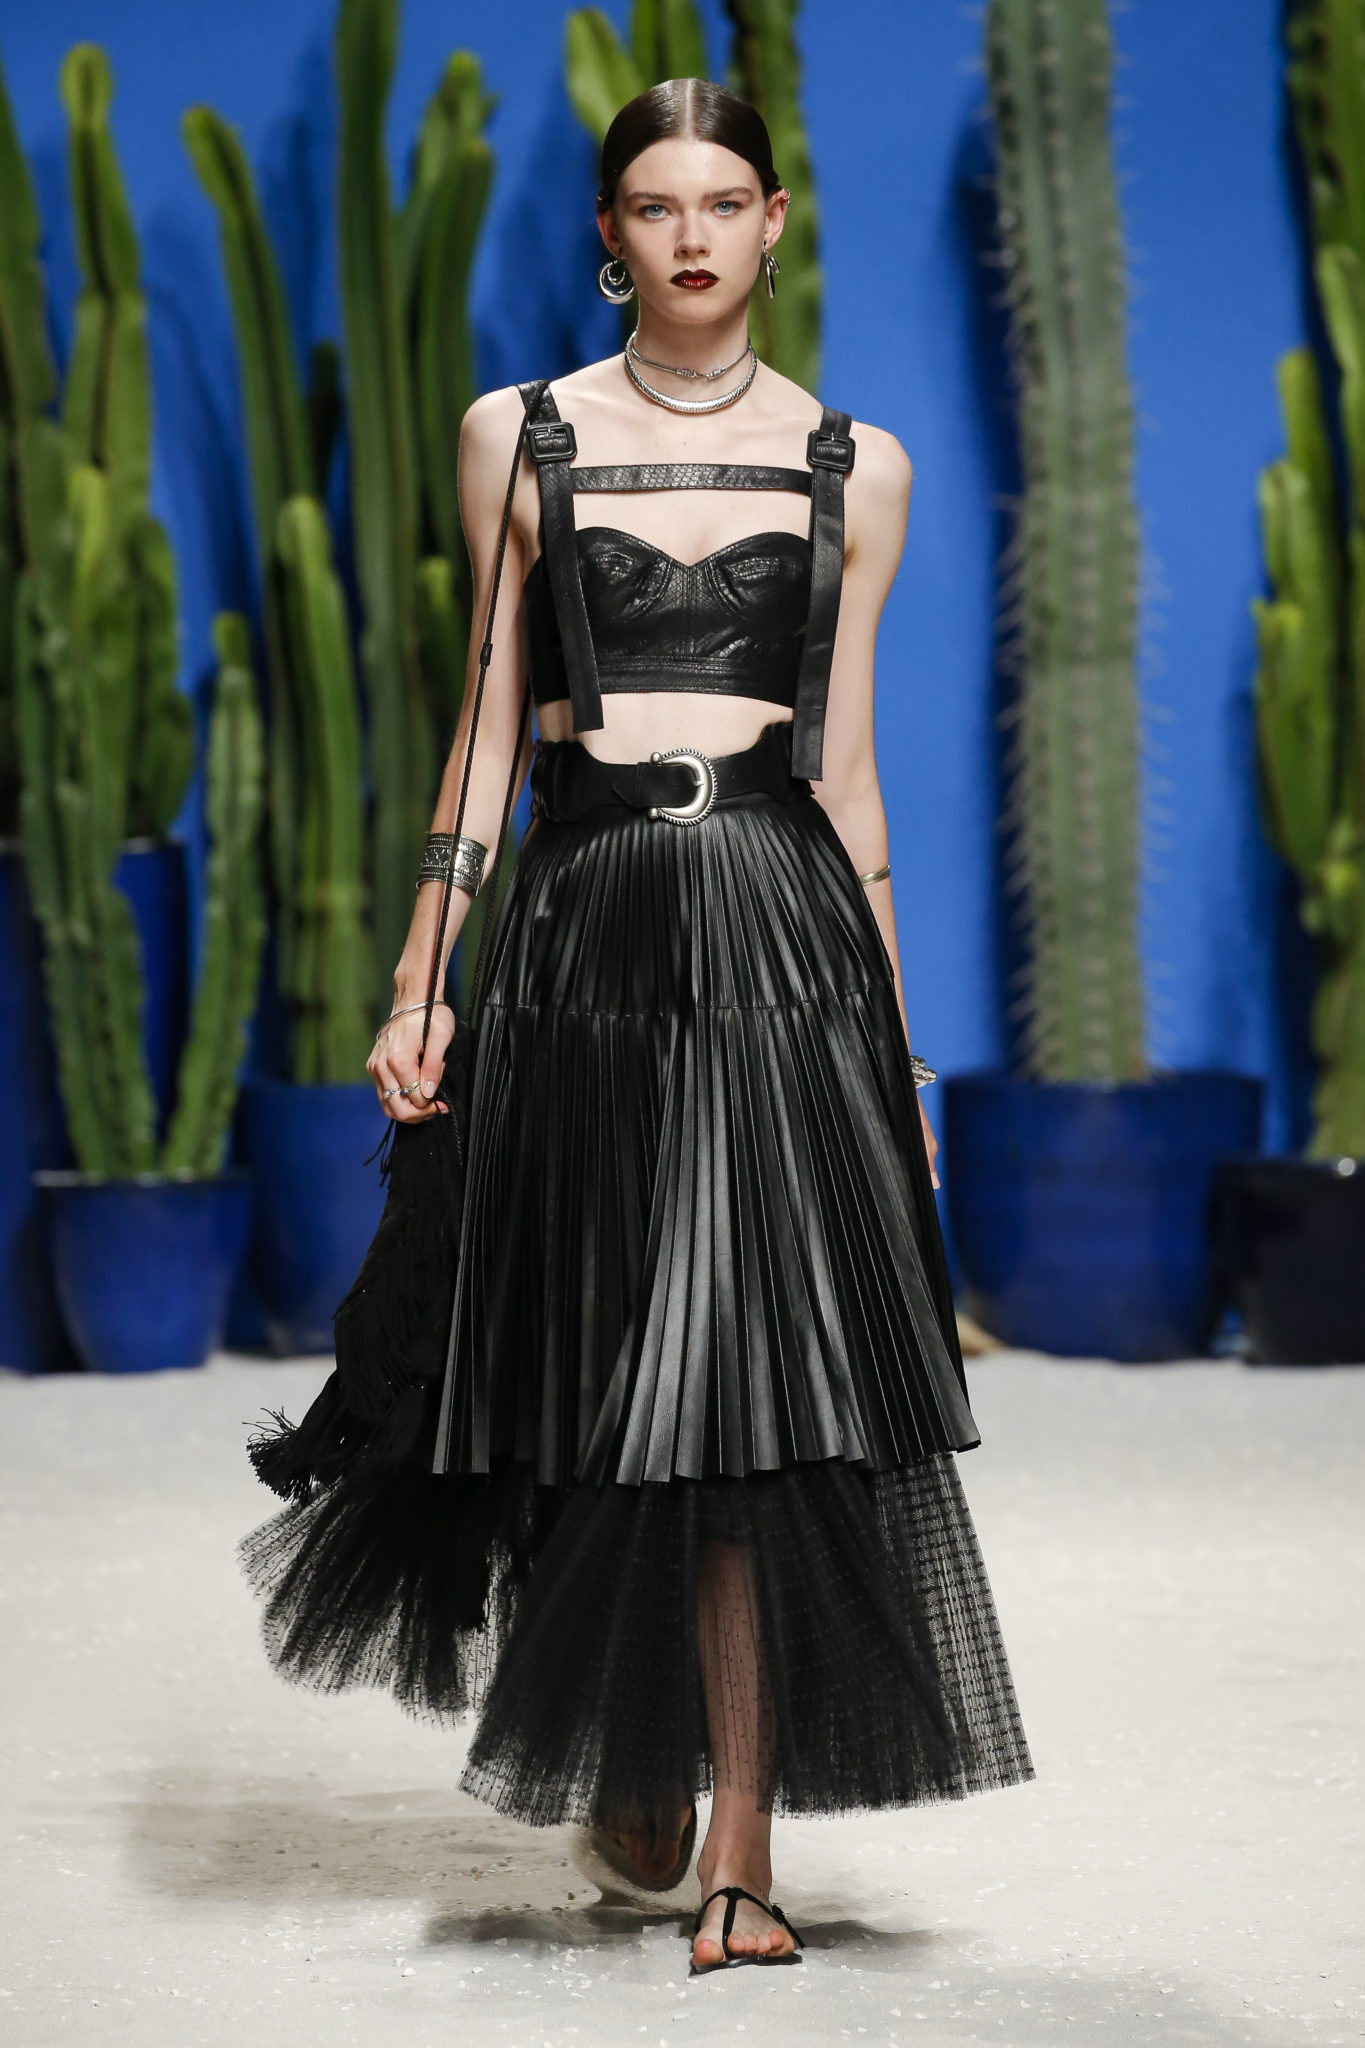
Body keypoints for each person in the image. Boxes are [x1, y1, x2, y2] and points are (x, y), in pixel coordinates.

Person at [241, 75, 1033, 1977]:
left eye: (722, 202)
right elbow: (486, 735)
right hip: (583, 922)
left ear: (772, 224)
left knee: (756, 1388)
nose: (691, 234)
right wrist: (424, 975)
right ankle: (628, 1736)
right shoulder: (518, 435)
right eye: (656, 205)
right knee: (590, 1356)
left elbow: (846, 779)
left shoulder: (855, 465)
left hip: (774, 935)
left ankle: (744, 1851)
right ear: (612, 234)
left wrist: (898, 1051)